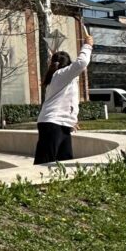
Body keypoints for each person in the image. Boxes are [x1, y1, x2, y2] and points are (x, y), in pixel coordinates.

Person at [33, 31, 94, 165]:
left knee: (65, 162)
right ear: (67, 65)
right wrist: (87, 45)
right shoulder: (61, 75)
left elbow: (65, 101)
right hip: (52, 124)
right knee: (44, 163)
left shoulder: (56, 77)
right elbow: (82, 62)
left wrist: (70, 119)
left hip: (61, 124)